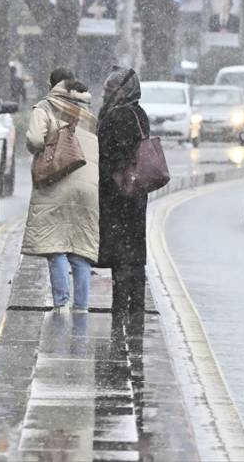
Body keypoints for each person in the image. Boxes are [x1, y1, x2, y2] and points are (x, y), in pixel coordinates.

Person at [23, 67, 100, 313]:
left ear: (52, 84)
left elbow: (35, 139)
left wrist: (47, 145)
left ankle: (60, 304)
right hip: (87, 184)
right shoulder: (88, 112)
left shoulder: (46, 107)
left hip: (57, 179)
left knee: (55, 246)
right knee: (80, 249)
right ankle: (81, 306)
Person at [96, 66, 150, 327]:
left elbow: (106, 155)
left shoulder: (116, 118)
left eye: (110, 90)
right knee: (135, 253)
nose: (106, 95)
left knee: (120, 255)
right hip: (136, 193)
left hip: (116, 195)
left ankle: (121, 309)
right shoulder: (140, 114)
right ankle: (137, 307)